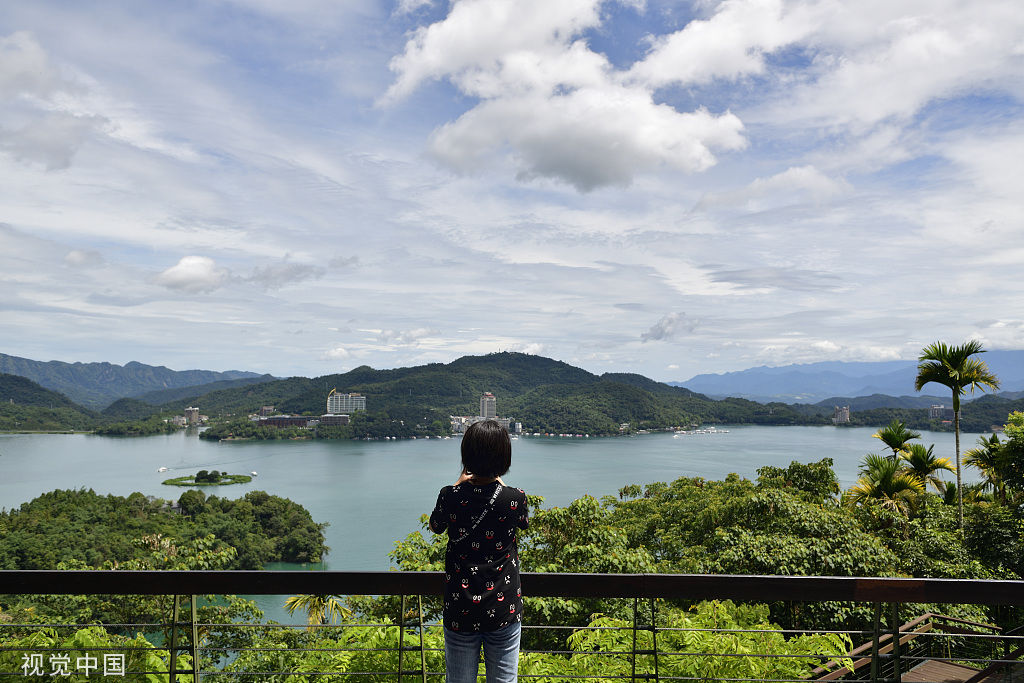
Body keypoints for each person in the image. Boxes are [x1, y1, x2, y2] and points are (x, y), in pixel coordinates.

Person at [429, 419, 529, 683]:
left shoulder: (450, 495)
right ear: (504, 458)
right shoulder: (515, 499)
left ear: (467, 457)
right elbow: (523, 523)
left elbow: (436, 525)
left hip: (460, 607)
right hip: (503, 607)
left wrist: (460, 482)